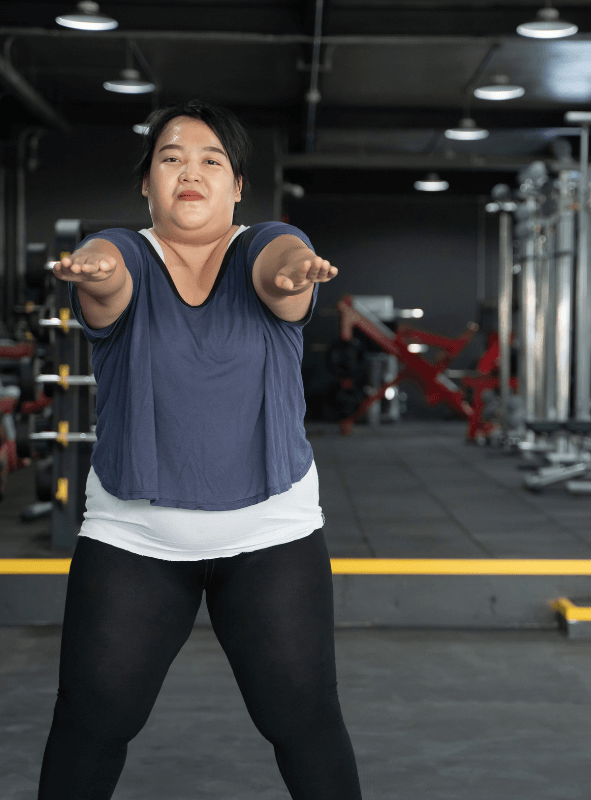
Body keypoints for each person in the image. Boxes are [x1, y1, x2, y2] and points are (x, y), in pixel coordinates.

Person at [36, 100, 362, 800]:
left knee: (304, 719)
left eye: (212, 159)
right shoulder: (122, 251)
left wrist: (296, 272)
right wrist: (91, 269)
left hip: (271, 534)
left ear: (237, 184)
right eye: (172, 157)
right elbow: (109, 275)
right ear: (146, 183)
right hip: (134, 538)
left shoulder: (265, 245)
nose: (192, 171)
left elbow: (279, 267)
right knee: (91, 720)